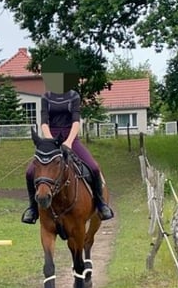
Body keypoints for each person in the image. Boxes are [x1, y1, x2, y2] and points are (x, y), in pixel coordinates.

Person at [21, 55, 114, 224]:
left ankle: (101, 205)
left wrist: (68, 142)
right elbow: (44, 122)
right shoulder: (46, 97)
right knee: (29, 172)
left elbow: (76, 121)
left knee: (94, 167)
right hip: (50, 140)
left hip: (71, 138)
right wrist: (50, 141)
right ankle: (32, 209)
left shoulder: (74, 96)